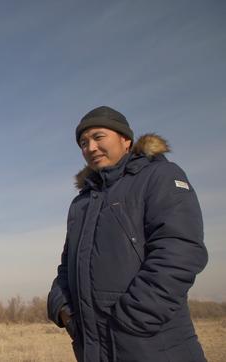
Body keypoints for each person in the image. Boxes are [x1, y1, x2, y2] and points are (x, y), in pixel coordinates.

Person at [47, 106, 208, 361]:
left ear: (126, 140)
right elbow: (67, 266)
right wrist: (64, 311)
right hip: (92, 348)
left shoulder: (160, 176)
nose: (90, 147)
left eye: (98, 137)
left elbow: (180, 250)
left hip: (152, 345)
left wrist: (131, 319)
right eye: (83, 142)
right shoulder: (82, 202)